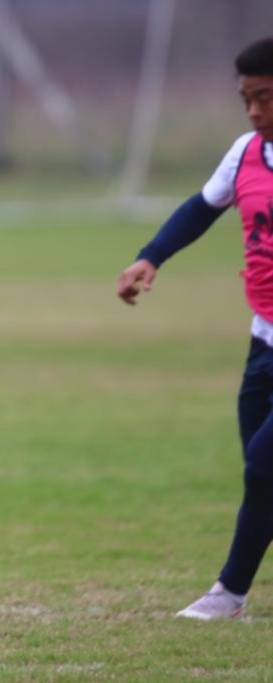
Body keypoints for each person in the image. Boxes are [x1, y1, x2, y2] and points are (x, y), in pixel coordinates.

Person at [117, 36, 273, 621]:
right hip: (263, 343)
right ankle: (232, 593)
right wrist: (150, 256)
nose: (255, 112)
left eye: (266, 99)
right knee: (262, 477)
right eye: (247, 100)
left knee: (264, 465)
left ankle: (228, 591)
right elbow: (202, 208)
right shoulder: (246, 153)